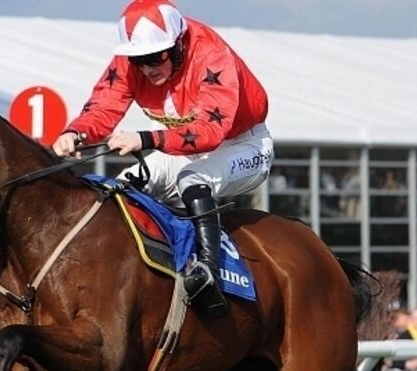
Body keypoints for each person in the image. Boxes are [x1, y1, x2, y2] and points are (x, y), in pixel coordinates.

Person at [51, 0, 272, 318]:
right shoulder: (131, 61)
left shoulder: (212, 55)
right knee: (122, 185)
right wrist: (76, 133)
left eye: (155, 57)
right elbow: (104, 105)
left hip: (244, 145)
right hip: (186, 149)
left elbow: (210, 131)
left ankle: (208, 275)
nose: (147, 68)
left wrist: (146, 138)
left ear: (179, 43)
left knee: (191, 179)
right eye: (138, 60)